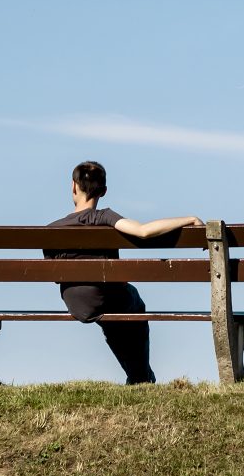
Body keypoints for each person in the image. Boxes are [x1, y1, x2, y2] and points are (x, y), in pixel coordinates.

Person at [44, 161, 202, 385]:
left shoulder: (52, 230)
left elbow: (53, 276)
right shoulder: (104, 217)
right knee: (134, 305)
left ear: (73, 186)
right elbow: (143, 231)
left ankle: (138, 376)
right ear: (104, 191)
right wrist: (190, 219)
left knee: (115, 322)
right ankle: (141, 376)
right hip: (104, 298)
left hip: (76, 303)